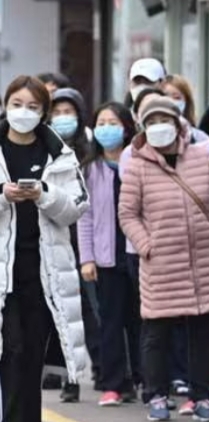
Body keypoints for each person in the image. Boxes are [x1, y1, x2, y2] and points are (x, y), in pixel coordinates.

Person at [118, 97, 209, 422]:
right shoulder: (138, 164)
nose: (159, 127)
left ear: (178, 124)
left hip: (205, 259)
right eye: (151, 122)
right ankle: (156, 393)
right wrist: (146, 245)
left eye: (164, 120)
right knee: (157, 331)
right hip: (161, 262)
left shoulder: (201, 156)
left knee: (205, 330)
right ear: (143, 128)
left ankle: (203, 396)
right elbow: (127, 213)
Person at [0, 75, 89, 422]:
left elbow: (77, 206)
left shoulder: (59, 153)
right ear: (6, 105)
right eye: (17, 104)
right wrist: (3, 195)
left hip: (44, 269)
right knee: (12, 346)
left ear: (43, 112)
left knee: (34, 349)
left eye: (33, 107)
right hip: (4, 271)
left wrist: (44, 194)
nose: (24, 112)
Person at [79, 102, 142, 408]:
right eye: (101, 123)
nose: (106, 128)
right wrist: (87, 258)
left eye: (113, 122)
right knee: (111, 321)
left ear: (127, 128)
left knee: (140, 321)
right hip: (106, 257)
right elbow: (85, 216)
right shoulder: (91, 169)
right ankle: (113, 383)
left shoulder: (139, 162)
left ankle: (144, 379)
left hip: (138, 253)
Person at [47, 87, 101, 403]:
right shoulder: (44, 148)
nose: (62, 118)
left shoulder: (89, 152)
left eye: (68, 112)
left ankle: (102, 368)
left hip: (85, 242)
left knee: (91, 311)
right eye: (57, 112)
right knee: (61, 312)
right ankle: (69, 377)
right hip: (53, 239)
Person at [161, 75, 209, 144]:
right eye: (165, 97)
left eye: (176, 97)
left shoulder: (199, 138)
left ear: (187, 101)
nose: (171, 102)